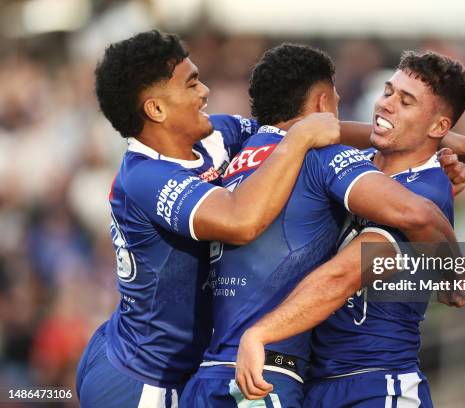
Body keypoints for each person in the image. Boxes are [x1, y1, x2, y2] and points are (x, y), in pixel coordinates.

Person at [179, 44, 465, 407]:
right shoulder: (348, 167)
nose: (386, 104)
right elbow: (321, 135)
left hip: (376, 384)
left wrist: (456, 271)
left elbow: (344, 276)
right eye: (388, 92)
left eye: (406, 101)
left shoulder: (425, 189)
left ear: (438, 125)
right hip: (313, 384)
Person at [75, 31, 341, 408]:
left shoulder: (213, 137)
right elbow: (241, 220)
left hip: (178, 367)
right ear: (156, 110)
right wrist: (299, 139)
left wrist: (428, 148)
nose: (205, 92)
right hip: (142, 378)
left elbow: (288, 129)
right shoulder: (145, 177)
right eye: (192, 83)